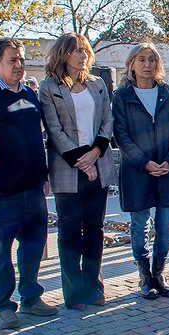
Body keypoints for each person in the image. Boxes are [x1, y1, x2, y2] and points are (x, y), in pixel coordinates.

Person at [0, 38, 57, 330]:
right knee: (0, 252)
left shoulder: (31, 94)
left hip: (33, 187)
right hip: (1, 190)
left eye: (21, 60)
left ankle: (31, 298)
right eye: (12, 60)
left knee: (33, 246)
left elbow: (39, 137)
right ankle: (3, 305)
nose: (19, 65)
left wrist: (44, 174)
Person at [39, 33, 117, 311]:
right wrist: (81, 161)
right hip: (67, 168)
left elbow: (107, 121)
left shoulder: (97, 84)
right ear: (63, 54)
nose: (82, 55)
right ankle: (73, 292)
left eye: (85, 50)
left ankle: (93, 286)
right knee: (70, 231)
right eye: (76, 51)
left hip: (99, 163)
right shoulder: (49, 87)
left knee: (94, 229)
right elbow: (54, 129)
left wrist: (94, 154)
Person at [114, 42, 169, 299]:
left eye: (152, 60)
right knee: (139, 226)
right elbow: (121, 135)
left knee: (166, 225)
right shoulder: (121, 97)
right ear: (132, 64)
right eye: (142, 60)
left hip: (168, 169)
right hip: (137, 170)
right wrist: (144, 162)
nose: (147, 65)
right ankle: (144, 276)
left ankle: (159, 273)